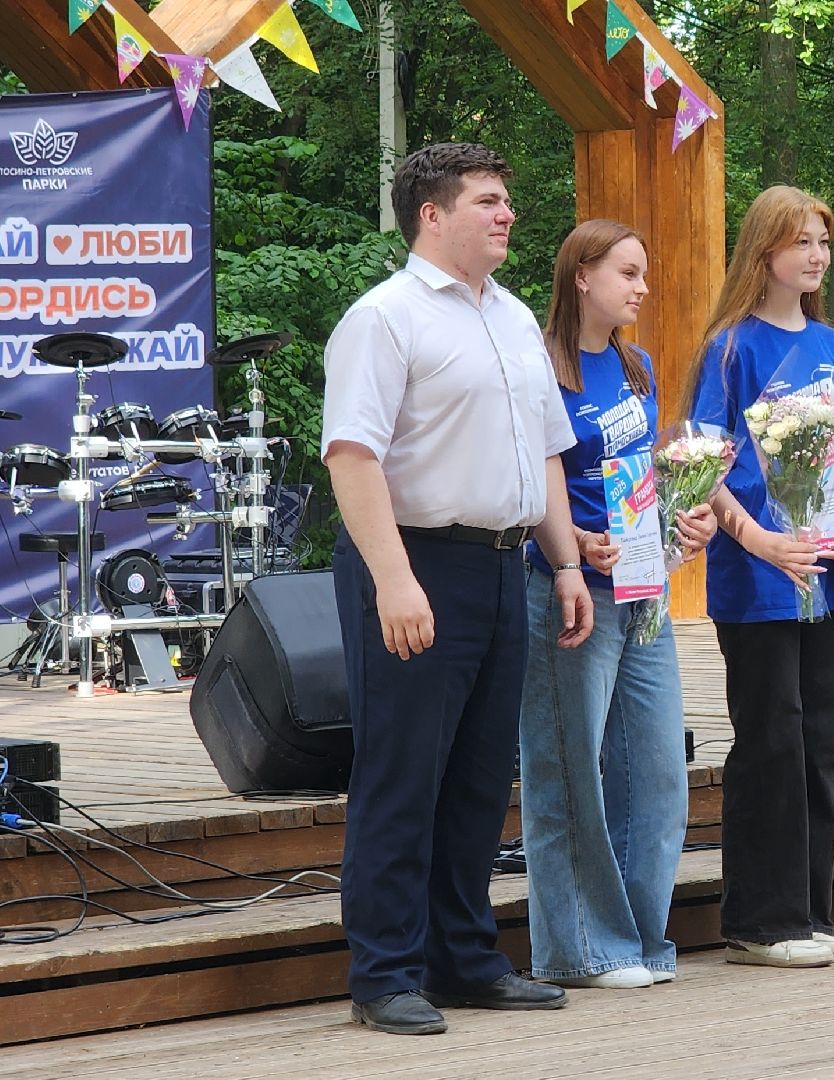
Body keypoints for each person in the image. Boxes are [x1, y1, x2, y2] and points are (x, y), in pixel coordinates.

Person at [322, 142, 587, 1035]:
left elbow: (545, 453)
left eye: (507, 198)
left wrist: (564, 562)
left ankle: (464, 959)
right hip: (413, 562)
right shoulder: (384, 318)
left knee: (479, 776)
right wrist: (394, 582)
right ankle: (385, 973)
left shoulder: (513, 318)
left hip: (504, 565)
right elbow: (352, 456)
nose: (507, 213)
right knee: (402, 774)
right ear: (432, 216)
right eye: (488, 200)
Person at [519, 220, 718, 989]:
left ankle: (636, 937)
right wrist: (570, 548)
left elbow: (645, 476)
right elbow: (536, 478)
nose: (641, 287)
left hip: (643, 591)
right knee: (570, 769)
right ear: (581, 276)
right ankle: (581, 948)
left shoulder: (635, 366)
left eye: (644, 273)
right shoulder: (541, 366)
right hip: (568, 589)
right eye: (627, 272)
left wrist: (684, 518)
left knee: (659, 769)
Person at [687, 185, 834, 968]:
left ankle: (806, 910)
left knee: (813, 740)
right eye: (802, 241)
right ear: (764, 250)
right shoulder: (731, 347)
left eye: (824, 243)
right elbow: (704, 463)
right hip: (758, 576)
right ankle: (758, 921)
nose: (817, 256)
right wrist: (758, 538)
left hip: (826, 574)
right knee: (766, 739)